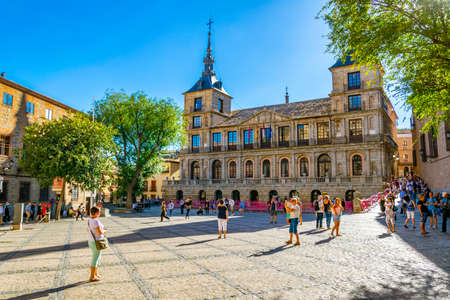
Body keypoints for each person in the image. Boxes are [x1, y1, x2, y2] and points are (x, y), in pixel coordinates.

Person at [87, 206, 106, 282]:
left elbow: (87, 230)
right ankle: (91, 277)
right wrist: (104, 231)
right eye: (98, 212)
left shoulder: (89, 220)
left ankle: (96, 273)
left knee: (98, 257)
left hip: (91, 241)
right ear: (95, 213)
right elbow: (100, 232)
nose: (99, 213)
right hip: (96, 242)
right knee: (95, 259)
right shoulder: (96, 221)